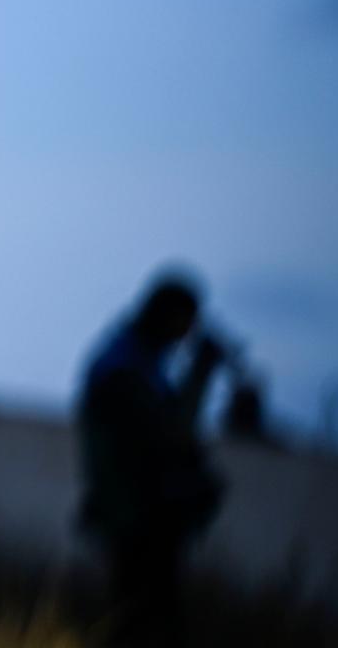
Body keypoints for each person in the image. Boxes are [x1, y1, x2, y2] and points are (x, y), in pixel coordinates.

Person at [76, 271, 229, 646]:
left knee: (145, 619)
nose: (185, 334)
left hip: (143, 514)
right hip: (136, 515)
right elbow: (166, 437)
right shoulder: (125, 366)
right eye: (184, 323)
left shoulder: (141, 361)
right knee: (142, 622)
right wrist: (201, 374)